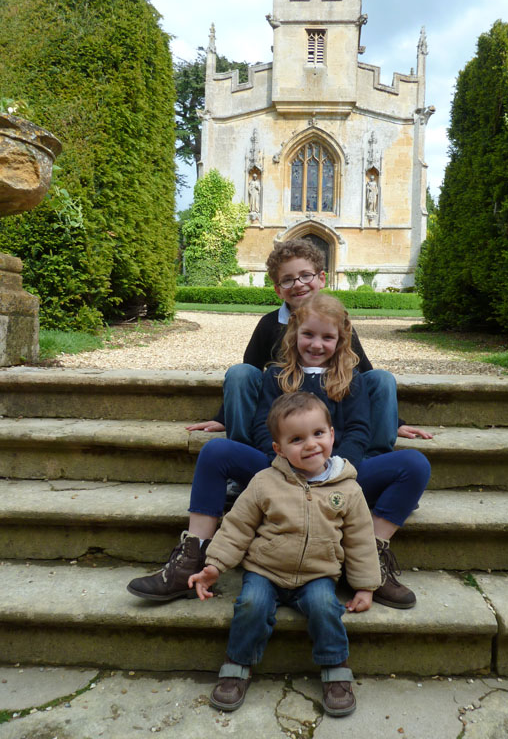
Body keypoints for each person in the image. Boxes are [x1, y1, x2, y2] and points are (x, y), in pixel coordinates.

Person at [127, 294, 430, 609]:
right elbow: (263, 425)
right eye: (308, 334)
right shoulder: (276, 376)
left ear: (341, 340)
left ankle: (373, 556)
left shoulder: (351, 380)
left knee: (415, 464)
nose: (316, 344)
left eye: (327, 337)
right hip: (279, 472)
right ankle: (193, 557)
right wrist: (282, 461)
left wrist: (335, 465)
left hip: (336, 475)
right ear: (294, 333)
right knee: (216, 451)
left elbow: (358, 430)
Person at [187, 391, 380, 716]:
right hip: (265, 571)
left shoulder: (348, 488)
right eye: (297, 439)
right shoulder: (265, 482)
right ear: (279, 449)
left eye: (318, 433)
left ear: (332, 434)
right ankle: (237, 666)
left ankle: (335, 669)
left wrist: (365, 586)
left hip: (317, 574)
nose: (311, 445)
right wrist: (215, 565)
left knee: (325, 607)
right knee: (251, 604)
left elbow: (360, 539)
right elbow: (237, 527)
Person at [186, 238, 433, 448]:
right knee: (239, 372)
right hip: (282, 403)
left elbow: (365, 372)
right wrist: (224, 417)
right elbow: (248, 373)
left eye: (306, 275)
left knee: (382, 378)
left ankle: (373, 457)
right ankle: (243, 453)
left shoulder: (338, 322)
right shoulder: (269, 324)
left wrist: (395, 422)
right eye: (288, 280)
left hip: (331, 400)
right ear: (278, 290)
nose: (298, 284)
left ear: (321, 278)